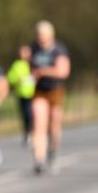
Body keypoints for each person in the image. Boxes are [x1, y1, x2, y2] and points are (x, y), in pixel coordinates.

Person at [29, 20, 71, 174]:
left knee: (54, 124)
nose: (41, 38)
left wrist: (44, 71)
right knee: (39, 123)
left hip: (55, 90)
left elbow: (63, 71)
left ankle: (52, 152)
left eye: (44, 35)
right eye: (39, 35)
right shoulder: (33, 48)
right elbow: (29, 67)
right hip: (39, 90)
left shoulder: (58, 49)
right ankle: (39, 159)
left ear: (51, 35)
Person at [6, 45, 36, 145]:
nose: (24, 55)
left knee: (32, 114)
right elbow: (10, 77)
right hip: (22, 94)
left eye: (26, 52)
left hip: (35, 94)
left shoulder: (34, 64)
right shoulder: (17, 64)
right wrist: (18, 79)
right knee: (25, 115)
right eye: (22, 52)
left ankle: (35, 132)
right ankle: (27, 133)